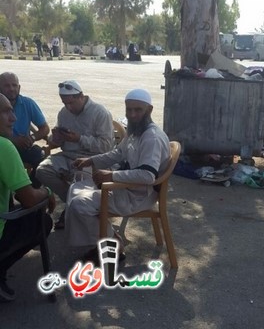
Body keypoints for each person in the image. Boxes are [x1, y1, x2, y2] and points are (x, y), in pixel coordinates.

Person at [65, 88, 170, 262]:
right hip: (128, 188)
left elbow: (147, 176)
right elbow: (117, 154)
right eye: (129, 110)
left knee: (79, 204)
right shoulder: (136, 130)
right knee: (75, 188)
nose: (133, 114)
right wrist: (91, 160)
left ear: (149, 110)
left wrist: (112, 176)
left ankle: (113, 245)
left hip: (139, 195)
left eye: (138, 110)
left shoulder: (151, 137)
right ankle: (102, 240)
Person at [36, 80, 114, 229]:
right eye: (65, 103)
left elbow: (106, 147)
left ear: (81, 96)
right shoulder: (64, 113)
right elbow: (55, 142)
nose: (68, 107)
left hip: (92, 159)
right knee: (42, 170)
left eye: (71, 103)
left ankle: (77, 210)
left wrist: (79, 138)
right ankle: (72, 204)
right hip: (68, 156)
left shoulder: (100, 113)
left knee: (82, 177)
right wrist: (56, 138)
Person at [0, 94, 55, 302]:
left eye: (11, 110)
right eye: (5, 112)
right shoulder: (4, 147)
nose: (13, 118)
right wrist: (47, 192)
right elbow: (30, 199)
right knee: (42, 221)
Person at [0, 72, 50, 184]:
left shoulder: (28, 103)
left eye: (14, 85)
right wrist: (13, 140)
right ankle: (8, 199)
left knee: (42, 160)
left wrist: (31, 138)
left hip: (23, 148)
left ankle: (30, 190)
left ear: (19, 87)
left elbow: (45, 128)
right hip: (2, 148)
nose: (12, 89)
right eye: (7, 85)